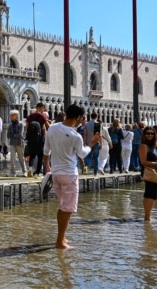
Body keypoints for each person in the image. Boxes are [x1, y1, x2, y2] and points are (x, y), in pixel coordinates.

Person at [43, 104, 99, 249]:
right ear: (79, 117)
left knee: (62, 206)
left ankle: (61, 237)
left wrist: (47, 166)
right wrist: (92, 143)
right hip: (69, 174)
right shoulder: (76, 136)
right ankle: (60, 241)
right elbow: (82, 154)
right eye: (82, 118)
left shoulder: (53, 128)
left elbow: (46, 149)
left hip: (56, 174)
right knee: (67, 209)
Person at [138, 127, 157, 221]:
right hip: (149, 171)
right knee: (151, 194)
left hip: (155, 172)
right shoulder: (143, 146)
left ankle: (148, 217)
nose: (150, 135)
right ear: (144, 135)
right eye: (147, 133)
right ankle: (147, 218)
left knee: (151, 193)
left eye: (152, 133)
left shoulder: (153, 146)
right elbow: (143, 161)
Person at [25, 102, 50, 177]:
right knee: (40, 155)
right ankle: (37, 173)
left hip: (31, 139)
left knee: (32, 154)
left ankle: (30, 168)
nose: (43, 110)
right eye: (43, 108)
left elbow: (26, 127)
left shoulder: (30, 116)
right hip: (40, 138)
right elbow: (48, 126)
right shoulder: (42, 116)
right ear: (41, 108)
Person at [7, 110, 27, 177]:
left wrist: (13, 135)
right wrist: (14, 135)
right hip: (12, 143)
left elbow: (20, 134)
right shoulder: (10, 125)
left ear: (17, 116)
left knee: (21, 158)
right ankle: (13, 172)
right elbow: (8, 135)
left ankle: (24, 171)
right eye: (11, 115)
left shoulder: (21, 124)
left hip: (19, 143)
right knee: (12, 158)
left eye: (12, 115)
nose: (11, 116)